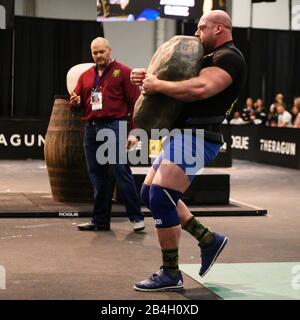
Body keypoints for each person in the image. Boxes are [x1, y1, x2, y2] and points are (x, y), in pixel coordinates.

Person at [130, 10, 247, 291]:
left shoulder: (228, 57)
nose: (196, 33)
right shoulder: (204, 57)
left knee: (161, 195)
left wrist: (158, 84)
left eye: (201, 28)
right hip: (180, 134)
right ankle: (208, 238)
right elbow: (177, 80)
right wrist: (149, 77)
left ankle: (170, 273)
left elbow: (200, 88)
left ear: (219, 29)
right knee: (149, 194)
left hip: (198, 136)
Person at [70, 37, 145, 232]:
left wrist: (134, 133)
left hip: (115, 126)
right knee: (97, 175)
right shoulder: (86, 76)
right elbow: (75, 104)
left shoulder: (123, 72)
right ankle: (100, 221)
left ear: (109, 50)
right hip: (91, 128)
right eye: (95, 52)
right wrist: (75, 103)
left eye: (101, 51)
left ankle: (137, 217)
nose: (98, 55)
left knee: (120, 170)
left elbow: (136, 104)